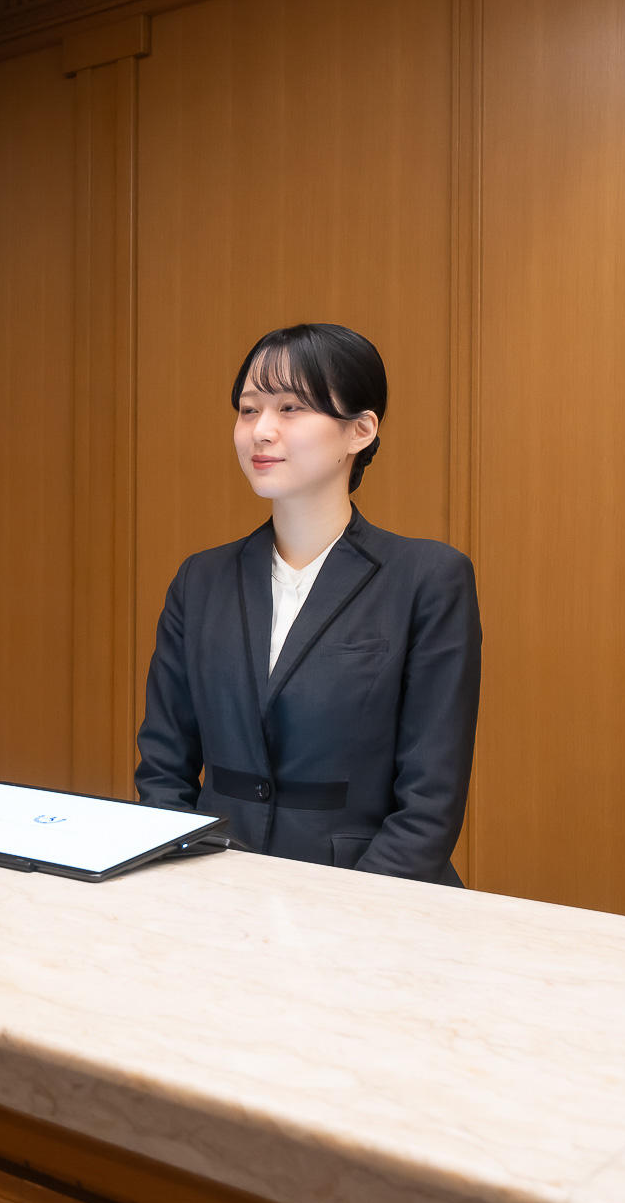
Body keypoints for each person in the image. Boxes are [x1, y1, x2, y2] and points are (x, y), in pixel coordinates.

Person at [133, 323, 479, 885]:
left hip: (376, 905)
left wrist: (350, 911)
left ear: (359, 431)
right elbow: (163, 773)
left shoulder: (428, 578)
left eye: (291, 408)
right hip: (217, 898)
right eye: (248, 410)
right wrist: (191, 887)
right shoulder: (200, 580)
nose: (260, 432)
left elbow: (429, 801)